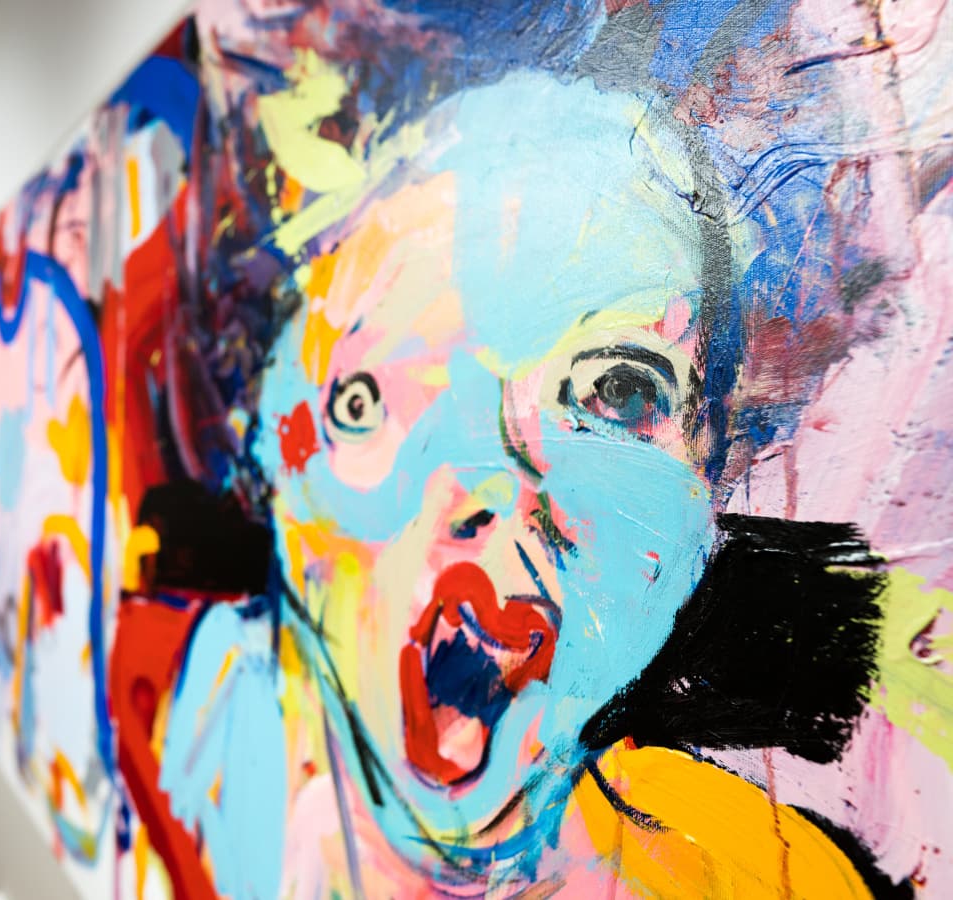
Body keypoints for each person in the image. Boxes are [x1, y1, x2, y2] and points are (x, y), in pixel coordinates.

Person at [160, 70, 877, 898]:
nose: (494, 490)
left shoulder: (762, 876)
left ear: (710, 482)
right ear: (273, 465)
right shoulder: (186, 768)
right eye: (366, 402)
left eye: (617, 392)